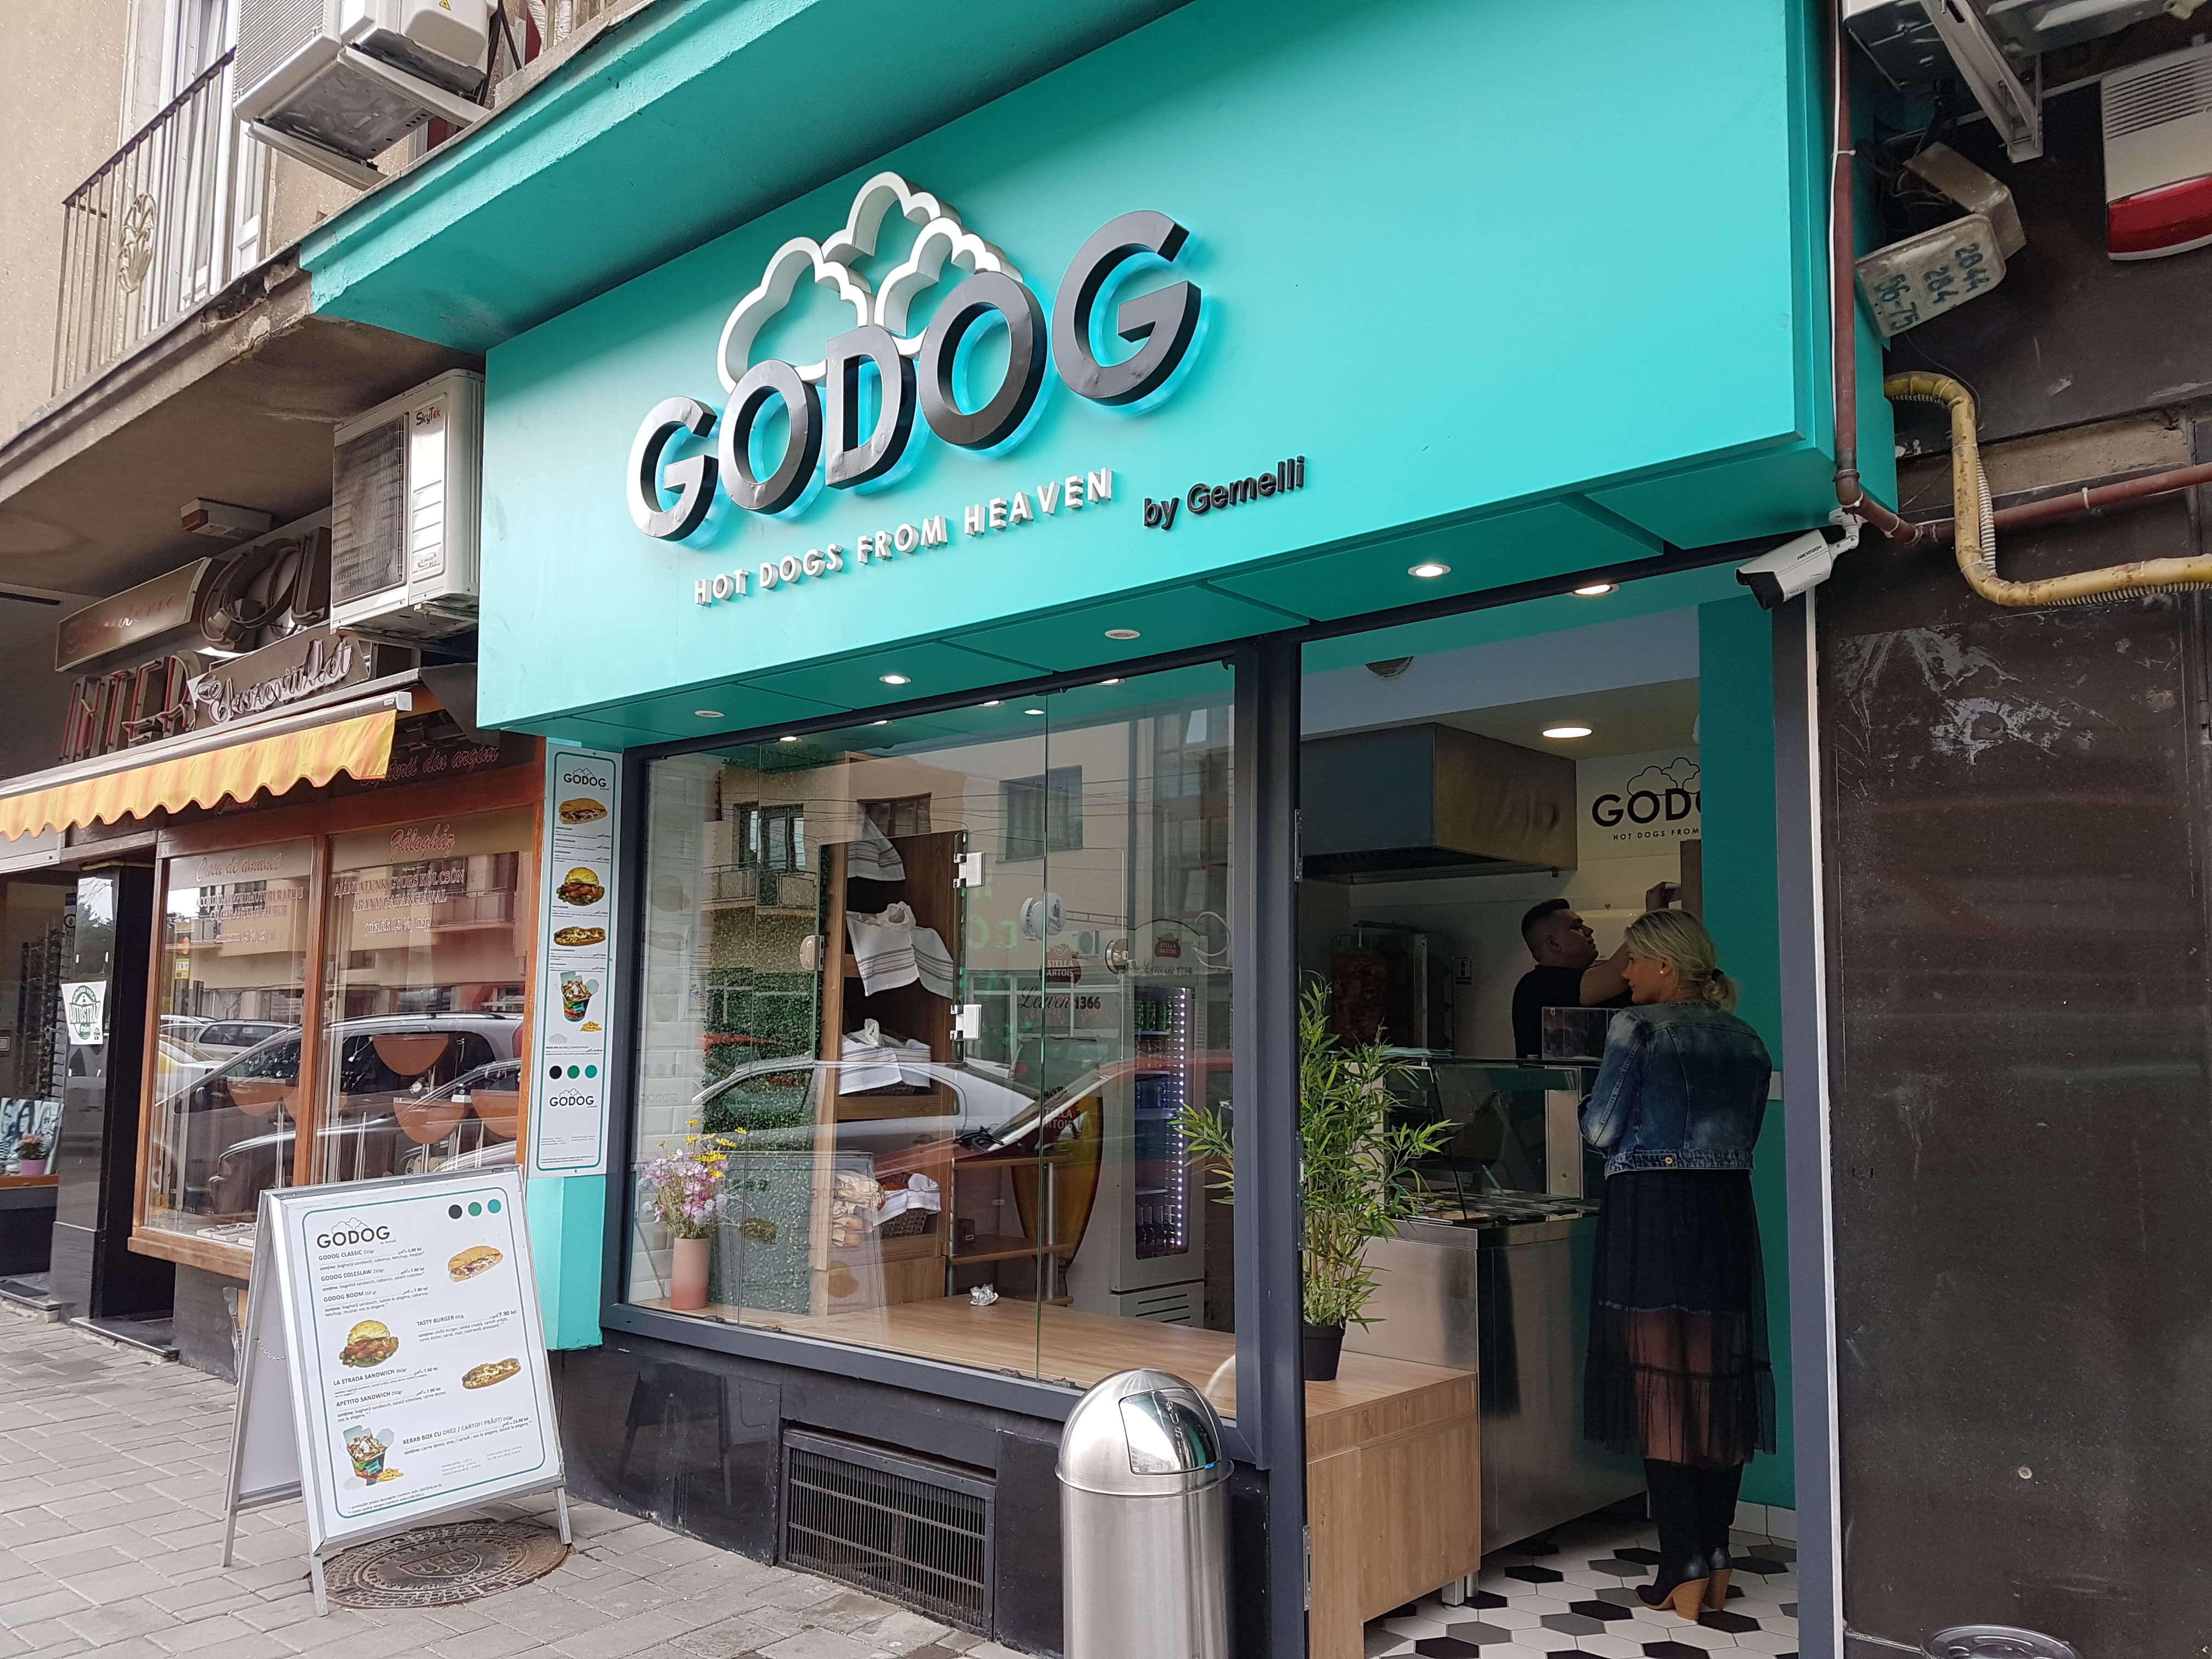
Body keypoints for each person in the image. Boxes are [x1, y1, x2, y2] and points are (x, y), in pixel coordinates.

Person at [1578, 909, 1775, 1620]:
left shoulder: (1638, 1028)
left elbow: (1601, 1128)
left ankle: (1680, 1562)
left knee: (1661, 1386)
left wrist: (1589, 1107)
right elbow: (1747, 1133)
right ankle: (1717, 1555)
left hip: (1653, 1210)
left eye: (1634, 959)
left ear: (1665, 964)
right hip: (1725, 1213)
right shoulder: (1746, 1037)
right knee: (1715, 1385)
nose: (1625, 972)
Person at [1509, 888, 1672, 1058]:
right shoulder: (1536, 987)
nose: (1589, 930)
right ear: (1554, 943)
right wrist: (1653, 917)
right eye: (1576, 927)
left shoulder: (1596, 985)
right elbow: (1615, 975)